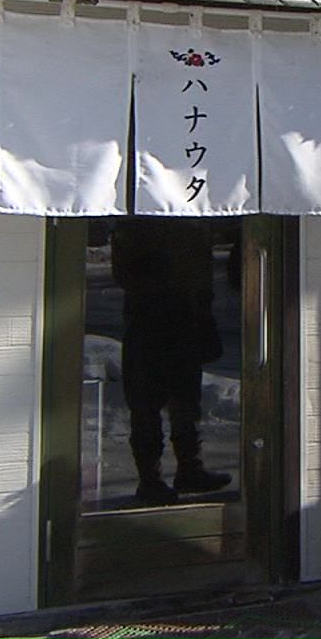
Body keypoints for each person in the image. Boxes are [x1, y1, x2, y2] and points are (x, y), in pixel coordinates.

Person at [111, 217, 232, 506]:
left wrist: (203, 311)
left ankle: (189, 468)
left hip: (185, 316)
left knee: (186, 401)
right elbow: (126, 272)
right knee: (146, 405)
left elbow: (200, 268)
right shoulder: (139, 216)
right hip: (148, 319)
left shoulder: (192, 216)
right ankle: (150, 479)